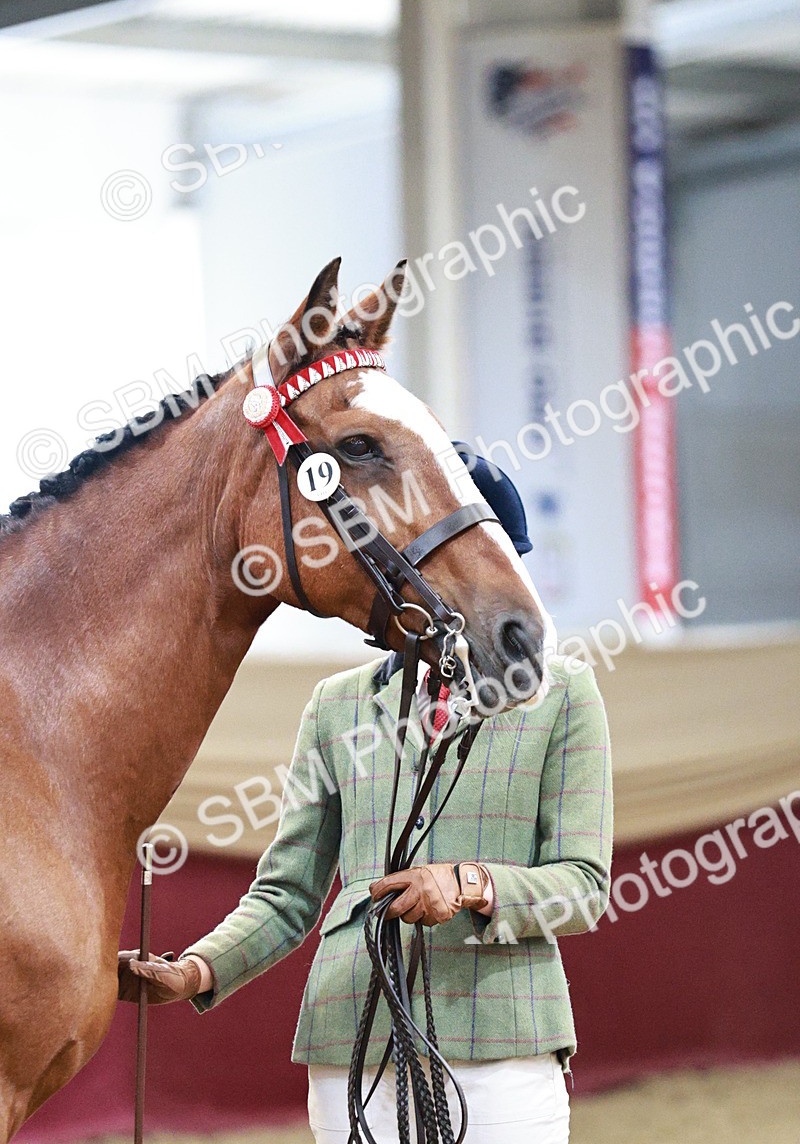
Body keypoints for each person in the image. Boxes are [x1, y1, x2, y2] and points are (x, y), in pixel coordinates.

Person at [119, 449, 613, 1144]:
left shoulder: (563, 697)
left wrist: (469, 884)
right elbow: (287, 894)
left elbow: (584, 886)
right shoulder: (336, 707)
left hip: (504, 1039)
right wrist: (196, 968)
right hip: (351, 1036)